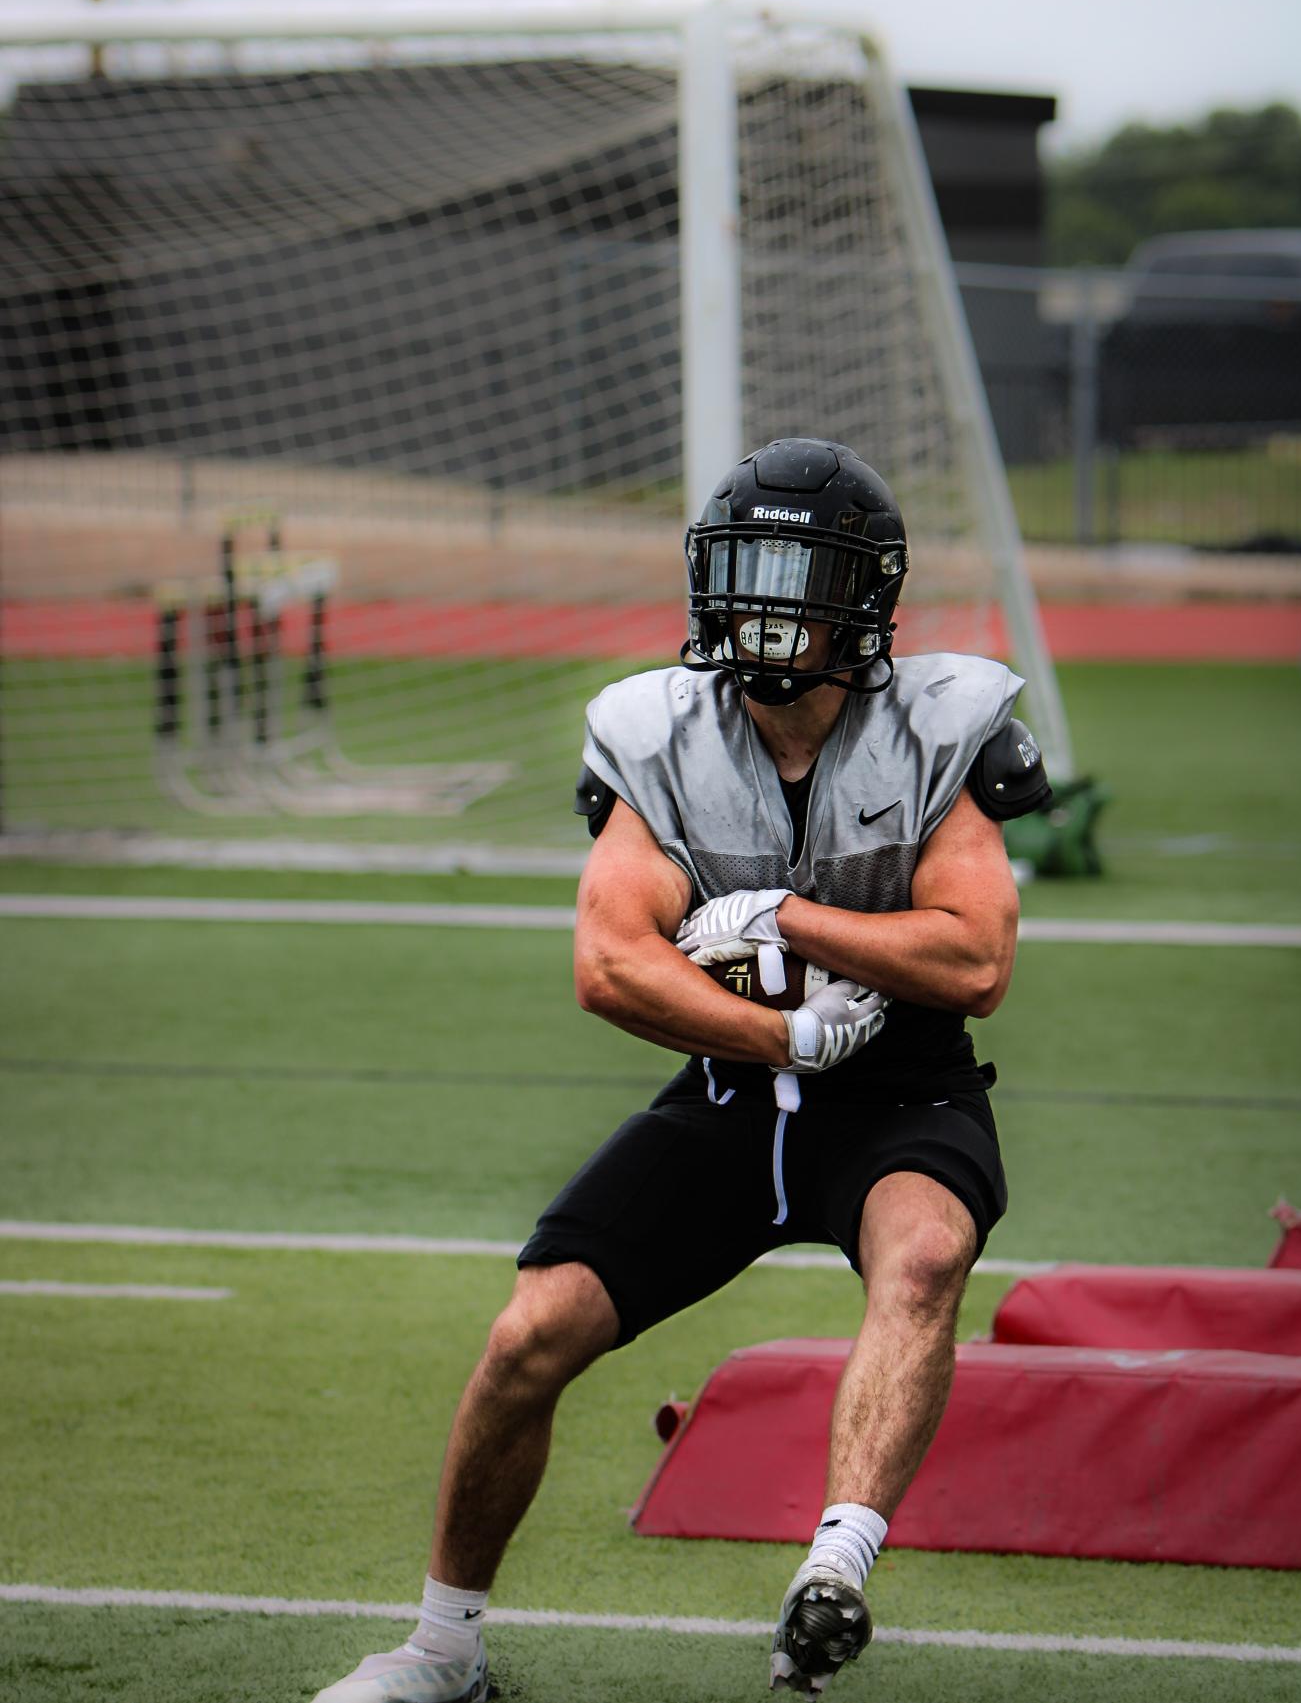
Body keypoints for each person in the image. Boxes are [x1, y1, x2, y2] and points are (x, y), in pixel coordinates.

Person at [313, 437, 1051, 1703]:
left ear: (862, 600)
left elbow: (973, 958)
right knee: (527, 1335)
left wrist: (784, 917)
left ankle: (834, 1569)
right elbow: (610, 962)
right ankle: (441, 1648)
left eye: (797, 575)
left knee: (923, 1255)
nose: (767, 605)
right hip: (726, 1096)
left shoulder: (942, 728)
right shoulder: (658, 734)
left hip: (900, 1093)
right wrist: (780, 1035)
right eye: (747, 570)